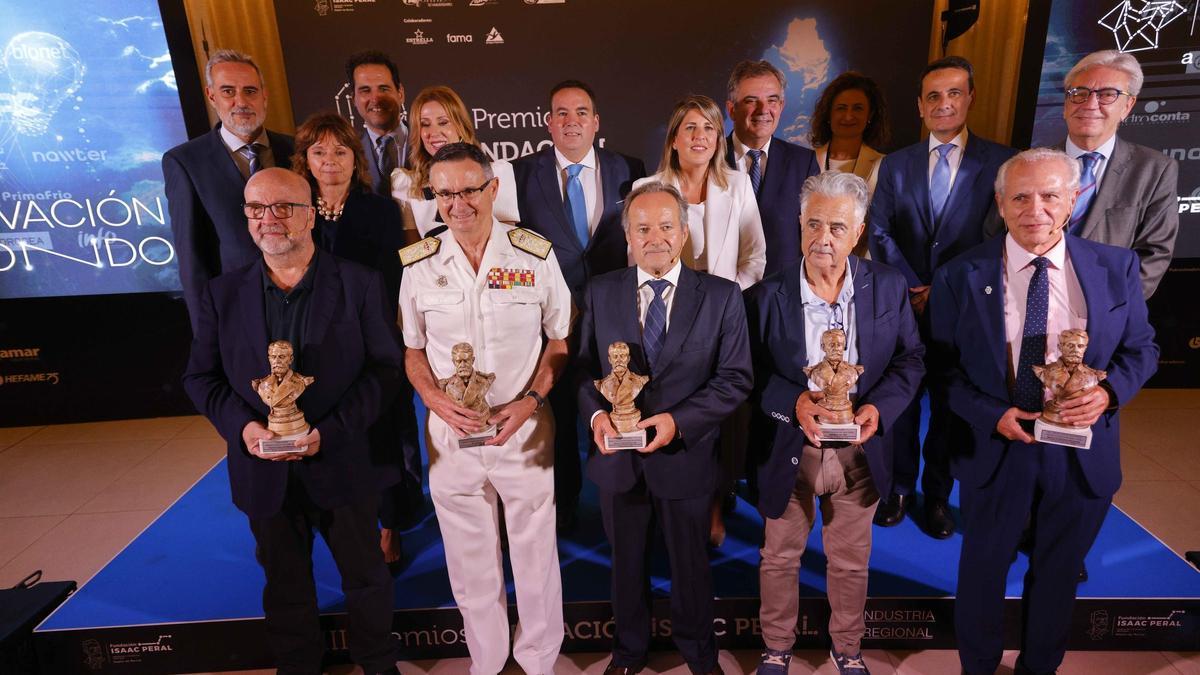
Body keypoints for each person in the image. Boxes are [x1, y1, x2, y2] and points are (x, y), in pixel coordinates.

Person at [929, 148, 1158, 675]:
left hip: (1082, 451)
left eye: (1051, 195)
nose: (1037, 208)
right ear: (1000, 203)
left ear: (1073, 200)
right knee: (983, 572)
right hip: (999, 446)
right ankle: (979, 666)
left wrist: (1109, 393)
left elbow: (1141, 349)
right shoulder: (959, 275)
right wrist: (992, 414)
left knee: (1057, 574)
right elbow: (941, 371)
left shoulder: (1116, 267)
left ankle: (1039, 668)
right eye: (1022, 196)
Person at [182, 168, 404, 675]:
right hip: (263, 467)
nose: (269, 219)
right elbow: (200, 377)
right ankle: (299, 665)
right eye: (256, 208)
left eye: (283, 207)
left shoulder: (359, 283)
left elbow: (386, 372)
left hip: (343, 459)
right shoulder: (222, 294)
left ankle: (377, 663)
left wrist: (330, 431)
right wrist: (244, 427)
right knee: (284, 582)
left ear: (310, 214)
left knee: (366, 577)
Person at [397, 143, 570, 674]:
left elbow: (559, 341)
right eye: (444, 193)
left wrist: (532, 401)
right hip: (453, 434)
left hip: (524, 430)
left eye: (469, 190)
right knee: (470, 560)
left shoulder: (534, 253)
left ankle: (539, 661)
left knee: (536, 554)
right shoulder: (419, 264)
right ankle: (487, 661)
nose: (458, 203)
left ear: (493, 188)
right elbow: (413, 349)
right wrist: (432, 400)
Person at [745, 172, 924, 675]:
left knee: (849, 562)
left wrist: (878, 408)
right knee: (779, 558)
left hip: (860, 454)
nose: (824, 238)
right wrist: (795, 403)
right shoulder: (765, 296)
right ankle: (776, 648)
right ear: (799, 223)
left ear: (860, 229)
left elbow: (910, 360)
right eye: (815, 224)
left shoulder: (887, 287)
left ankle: (847, 649)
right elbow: (749, 374)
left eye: (838, 228)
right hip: (789, 449)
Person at [576, 181, 752, 675]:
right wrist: (596, 416)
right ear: (628, 236)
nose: (656, 237)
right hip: (619, 461)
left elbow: (736, 378)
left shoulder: (721, 296)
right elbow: (584, 369)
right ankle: (629, 652)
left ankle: (699, 654)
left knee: (691, 569)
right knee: (626, 566)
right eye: (643, 228)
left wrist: (678, 422)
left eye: (666, 226)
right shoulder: (601, 291)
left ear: (685, 231)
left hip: (686, 458)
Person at [867, 56, 1016, 537]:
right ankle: (898, 488)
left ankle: (936, 495)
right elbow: (880, 228)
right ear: (919, 105)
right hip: (905, 305)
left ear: (970, 97)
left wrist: (945, 286)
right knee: (902, 404)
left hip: (968, 304)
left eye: (954, 93)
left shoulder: (1000, 163)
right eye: (933, 96)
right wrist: (913, 285)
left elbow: (999, 234)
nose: (944, 103)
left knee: (952, 406)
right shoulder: (896, 164)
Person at [512, 79, 647, 531]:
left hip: (612, 314)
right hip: (548, 318)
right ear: (548, 123)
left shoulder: (630, 169)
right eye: (562, 113)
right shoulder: (518, 173)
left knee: (613, 402)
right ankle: (565, 500)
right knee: (560, 411)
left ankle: (620, 504)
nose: (572, 122)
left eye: (581, 112)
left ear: (596, 122)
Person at [291, 111, 422, 564]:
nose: (330, 161)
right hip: (311, 343)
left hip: (372, 337)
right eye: (320, 151)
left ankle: (391, 525)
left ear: (356, 158)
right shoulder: (293, 210)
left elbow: (390, 278)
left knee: (384, 429)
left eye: (341, 151)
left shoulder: (380, 209)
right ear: (305, 159)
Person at [163, 49, 294, 331]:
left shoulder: (297, 151)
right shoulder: (186, 162)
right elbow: (192, 261)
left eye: (250, 91)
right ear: (211, 96)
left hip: (304, 305)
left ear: (264, 94)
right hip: (235, 314)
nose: (241, 101)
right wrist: (206, 337)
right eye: (228, 91)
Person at [1054, 49, 1178, 299]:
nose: (1090, 105)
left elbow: (1154, 254)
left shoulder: (1155, 169)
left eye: (1107, 94)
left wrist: (1107, 309)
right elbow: (998, 236)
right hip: (1029, 311)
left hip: (1107, 316)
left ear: (1128, 105)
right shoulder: (1029, 164)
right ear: (1066, 104)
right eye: (1079, 94)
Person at [636, 94, 766, 289]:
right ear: (673, 140)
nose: (700, 136)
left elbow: (754, 257)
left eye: (708, 127)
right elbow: (639, 259)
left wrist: (729, 299)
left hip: (724, 304)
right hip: (664, 300)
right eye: (690, 128)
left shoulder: (740, 185)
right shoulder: (644, 190)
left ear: (717, 140)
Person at [723, 60, 820, 276]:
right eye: (751, 101)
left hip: (782, 294)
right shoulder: (710, 160)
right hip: (721, 294)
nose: (764, 110)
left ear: (782, 106)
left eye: (772, 100)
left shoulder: (803, 163)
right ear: (732, 109)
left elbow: (814, 235)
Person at [390, 86, 520, 241]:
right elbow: (414, 253)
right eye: (425, 124)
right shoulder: (406, 183)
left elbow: (507, 241)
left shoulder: (497, 172)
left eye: (443, 122)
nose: (434, 132)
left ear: (460, 125)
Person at [809, 72, 892, 256]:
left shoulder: (885, 165)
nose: (848, 116)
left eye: (857, 108)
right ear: (828, 113)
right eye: (841, 108)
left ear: (870, 115)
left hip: (862, 266)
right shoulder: (805, 159)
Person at [345, 50, 408, 197]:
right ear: (354, 99)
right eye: (365, 90)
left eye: (384, 89)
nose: (375, 99)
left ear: (400, 93)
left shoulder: (429, 144)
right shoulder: (348, 154)